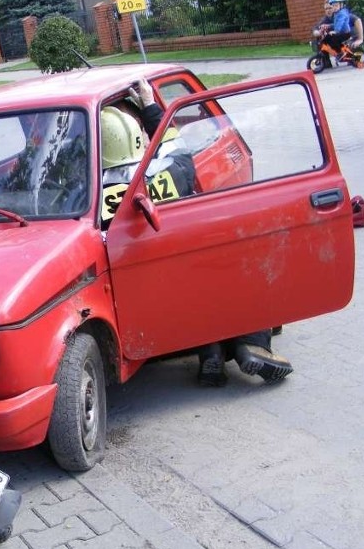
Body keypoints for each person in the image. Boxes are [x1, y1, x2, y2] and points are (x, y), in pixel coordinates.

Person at [104, 78, 292, 387]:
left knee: (191, 278)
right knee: (242, 260)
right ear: (135, 139)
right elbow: (179, 151)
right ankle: (251, 340)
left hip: (141, 295)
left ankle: (212, 354)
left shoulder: (90, 195)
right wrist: (150, 106)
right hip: (183, 269)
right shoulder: (167, 169)